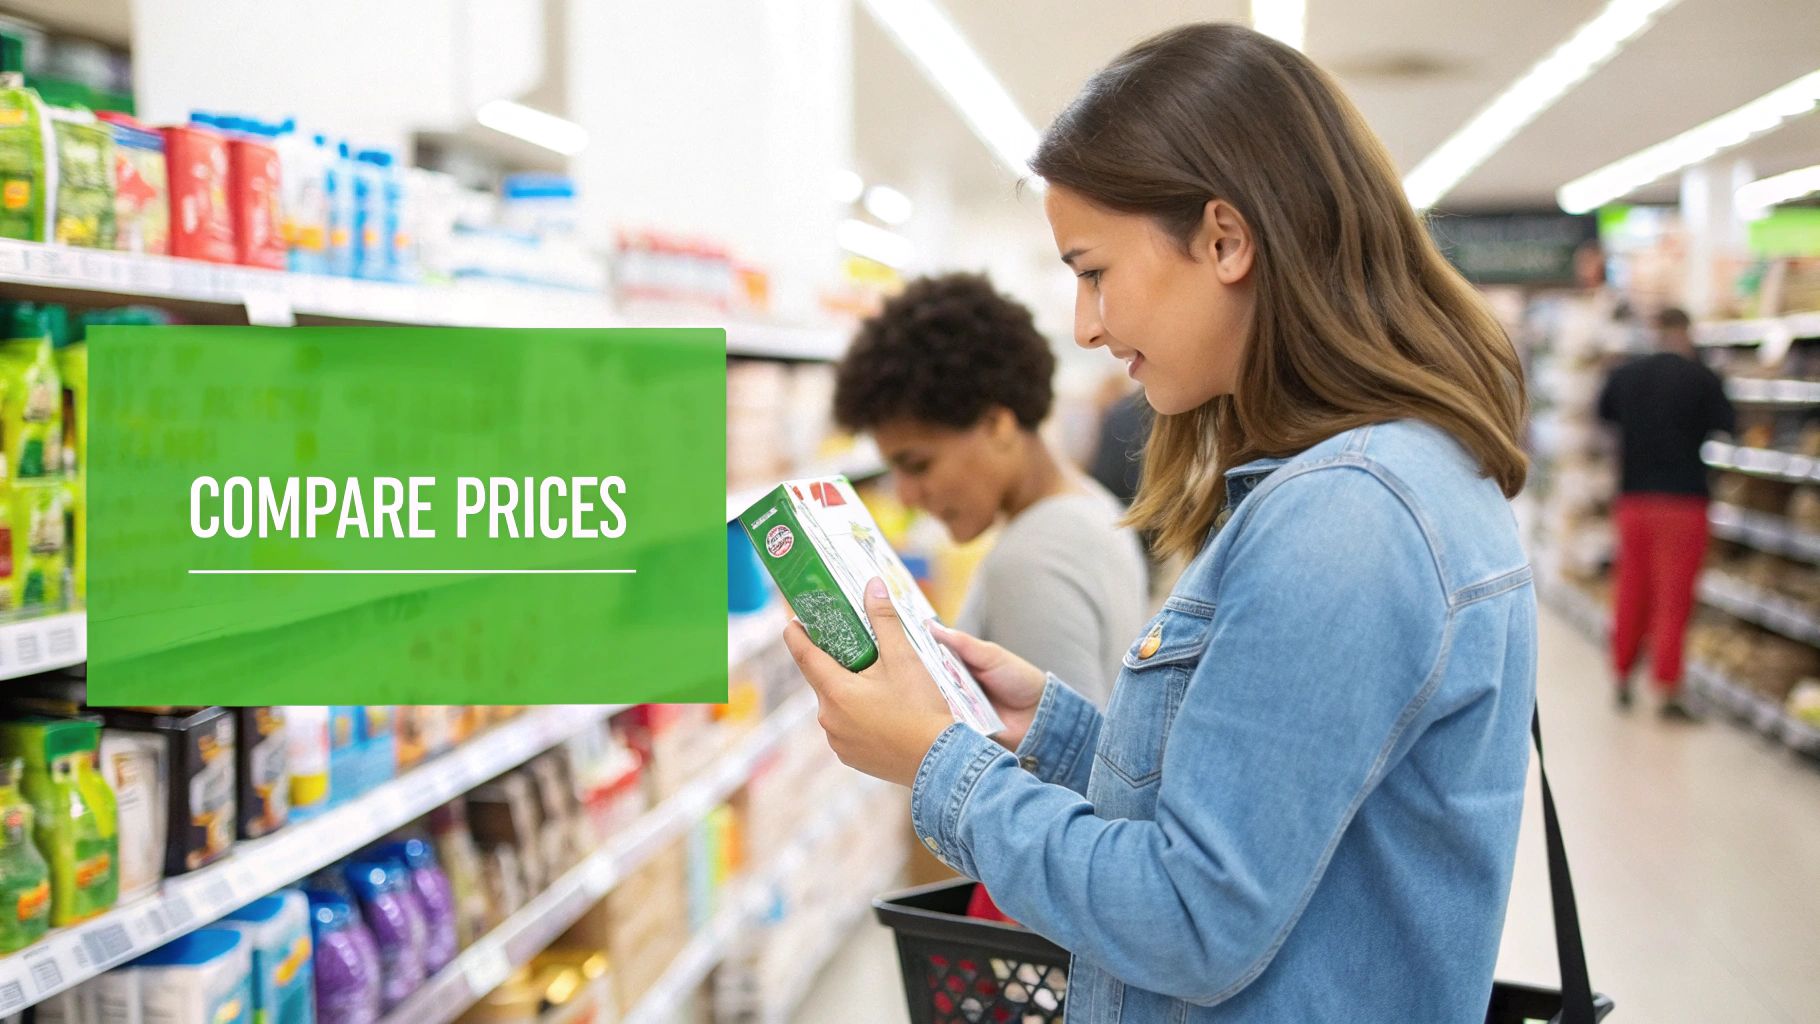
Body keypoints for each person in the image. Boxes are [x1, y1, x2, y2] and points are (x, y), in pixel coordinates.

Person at [786, 23, 1536, 1023]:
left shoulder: (1347, 518)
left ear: (1224, 239)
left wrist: (935, 761)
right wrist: (1051, 732)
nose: (1085, 323)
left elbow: (1192, 918)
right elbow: (1260, 813)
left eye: (1092, 269)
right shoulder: (1369, 481)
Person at [832, 272, 1147, 704]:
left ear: (998, 424)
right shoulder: (1093, 504)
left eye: (918, 465)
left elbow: (1058, 764)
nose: (906, 495)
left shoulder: (1032, 557)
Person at [1596, 307, 1736, 718]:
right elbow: (1728, 425)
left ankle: (1621, 675)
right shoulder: (1703, 378)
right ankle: (1667, 688)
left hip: (1634, 499)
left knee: (1631, 586)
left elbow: (1603, 415)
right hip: (1683, 501)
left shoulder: (1626, 375)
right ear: (1687, 333)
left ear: (1655, 330)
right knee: (1673, 596)